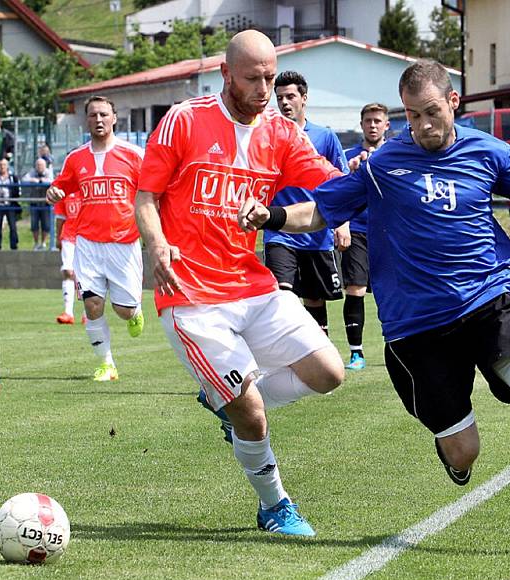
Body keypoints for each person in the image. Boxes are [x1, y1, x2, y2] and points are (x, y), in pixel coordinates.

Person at [240, 59, 510, 558]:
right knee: (464, 451)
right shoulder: (382, 166)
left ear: (453, 103)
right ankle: (455, 455)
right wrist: (270, 215)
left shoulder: (488, 152)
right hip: (418, 328)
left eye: (431, 112)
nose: (422, 126)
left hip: (492, 300)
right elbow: (321, 208)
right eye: (411, 116)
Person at [134, 30, 345, 537]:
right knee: (250, 411)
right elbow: (145, 197)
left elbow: (332, 190)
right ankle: (275, 505)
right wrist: (157, 246)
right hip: (191, 297)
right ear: (226, 73)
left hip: (252, 285)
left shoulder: (281, 133)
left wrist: (352, 194)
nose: (264, 89)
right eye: (253, 78)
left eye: (271, 78)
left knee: (329, 372)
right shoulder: (184, 120)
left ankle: (224, 400)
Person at [46, 96, 145, 382]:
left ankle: (135, 311)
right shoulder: (76, 158)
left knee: (124, 311)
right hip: (87, 243)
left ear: (114, 118)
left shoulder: (134, 155)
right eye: (92, 115)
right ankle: (107, 364)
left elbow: (153, 191)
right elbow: (60, 186)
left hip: (124, 243)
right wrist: (54, 192)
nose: (98, 120)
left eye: (103, 114)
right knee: (91, 305)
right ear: (86, 120)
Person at [264, 70, 349, 338]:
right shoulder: (267, 135)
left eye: (290, 96)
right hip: (279, 231)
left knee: (314, 299)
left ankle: (318, 349)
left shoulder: (324, 137)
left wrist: (343, 223)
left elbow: (341, 184)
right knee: (283, 295)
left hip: (316, 232)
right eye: (279, 98)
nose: (285, 103)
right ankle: (287, 354)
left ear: (304, 98)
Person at [341, 102, 390, 369]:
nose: (372, 125)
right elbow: (341, 192)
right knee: (355, 288)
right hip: (357, 230)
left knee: (393, 290)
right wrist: (343, 223)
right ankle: (356, 353)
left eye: (377, 120)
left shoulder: (396, 155)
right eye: (368, 120)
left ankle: (396, 346)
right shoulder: (349, 157)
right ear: (361, 124)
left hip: (390, 232)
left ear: (386, 125)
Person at [53, 192, 82, 324]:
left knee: (85, 275)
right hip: (68, 236)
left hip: (85, 236)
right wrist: (58, 237)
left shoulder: (86, 185)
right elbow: (60, 217)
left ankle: (87, 314)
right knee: (67, 271)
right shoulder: (63, 191)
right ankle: (68, 312)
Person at [22, 157, 54, 250]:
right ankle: (36, 243)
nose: (39, 167)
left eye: (41, 165)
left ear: (45, 166)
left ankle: (43, 243)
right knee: (34, 224)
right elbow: (24, 179)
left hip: (45, 203)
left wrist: (43, 181)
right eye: (38, 165)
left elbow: (52, 180)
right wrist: (33, 180)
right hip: (34, 202)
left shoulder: (48, 172)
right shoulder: (32, 172)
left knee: (46, 225)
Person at [0, 158, 21, 251]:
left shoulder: (12, 177)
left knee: (12, 226)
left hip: (10, 204)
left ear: (7, 166)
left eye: (4, 165)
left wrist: (15, 199)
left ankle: (14, 245)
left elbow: (17, 189)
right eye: (0, 165)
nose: (2, 167)